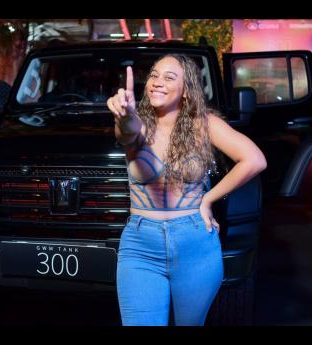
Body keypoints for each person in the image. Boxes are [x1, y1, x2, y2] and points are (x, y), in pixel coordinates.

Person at [106, 54, 267, 326]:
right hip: (141, 247)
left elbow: (254, 160)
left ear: (186, 89)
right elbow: (127, 132)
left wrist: (208, 199)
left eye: (169, 77)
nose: (157, 82)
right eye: (154, 75)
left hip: (195, 244)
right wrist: (126, 116)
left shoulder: (204, 124)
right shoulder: (140, 123)